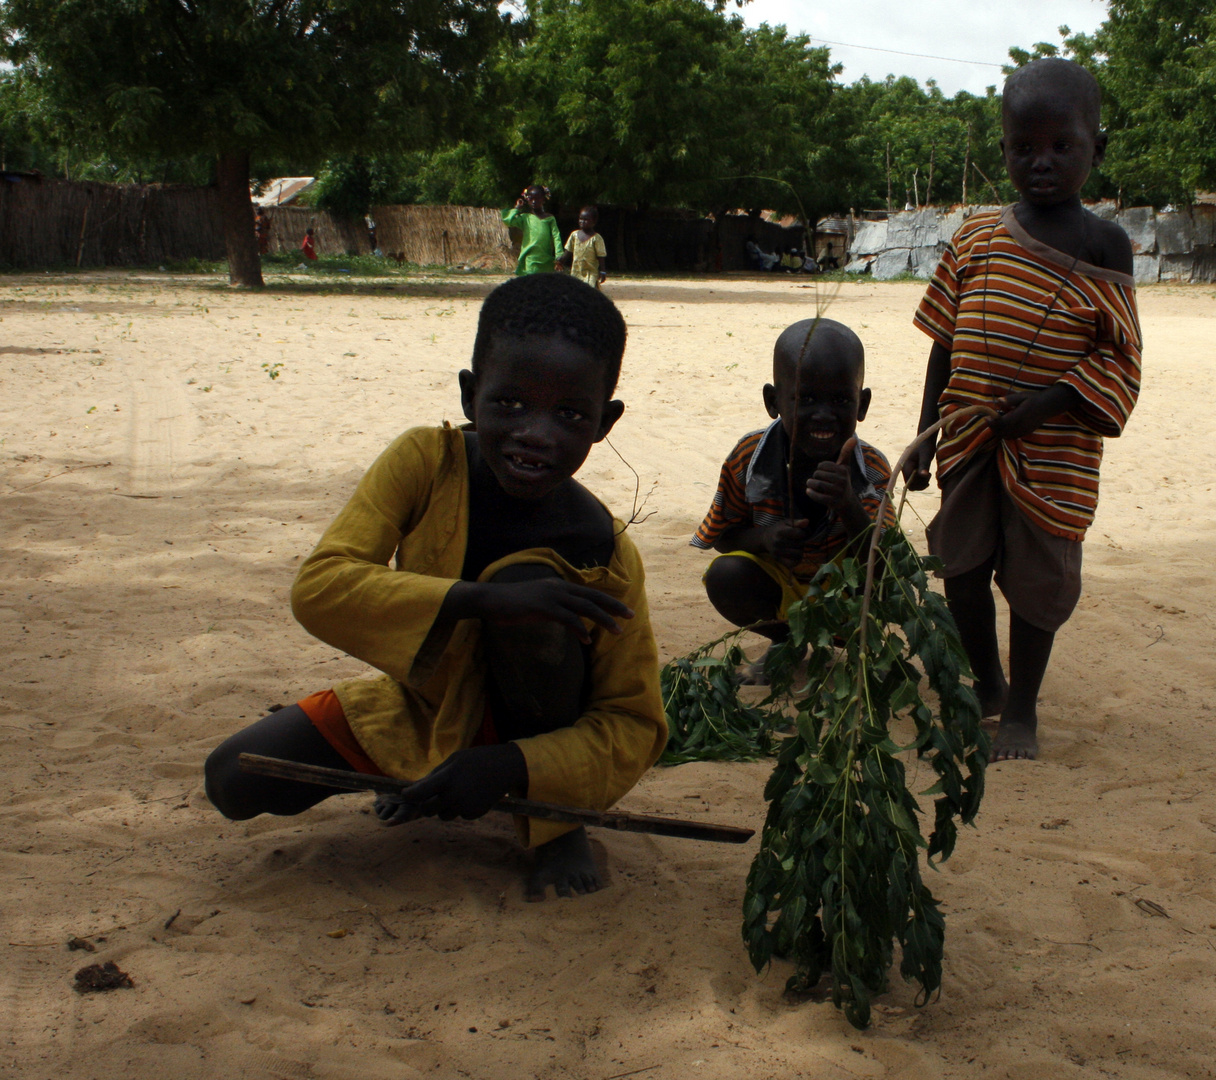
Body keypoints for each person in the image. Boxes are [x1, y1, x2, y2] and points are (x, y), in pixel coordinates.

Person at [203, 273, 665, 899]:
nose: (536, 433)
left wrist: (511, 765)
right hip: (422, 709)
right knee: (231, 779)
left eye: (569, 413)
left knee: (535, 591)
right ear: (472, 394)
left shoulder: (604, 553)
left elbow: (633, 724)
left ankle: (555, 826)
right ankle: (425, 775)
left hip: (531, 739)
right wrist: (476, 600)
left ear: (604, 421)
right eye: (510, 403)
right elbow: (321, 585)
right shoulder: (424, 463)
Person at [901, 57, 1141, 763]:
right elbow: (944, 340)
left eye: (1061, 145)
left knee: (1037, 584)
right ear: (1002, 149)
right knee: (962, 570)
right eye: (1022, 147)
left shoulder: (1105, 245)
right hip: (969, 441)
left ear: (1096, 149)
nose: (1041, 162)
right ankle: (990, 682)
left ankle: (1025, 711)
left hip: (1055, 450)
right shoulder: (975, 236)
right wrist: (925, 432)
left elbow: (1119, 356)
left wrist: (1045, 406)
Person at [692, 318, 892, 668]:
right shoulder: (748, 458)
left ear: (862, 405)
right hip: (780, 590)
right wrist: (765, 538)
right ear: (774, 401)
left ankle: (849, 643)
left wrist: (848, 504)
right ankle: (786, 641)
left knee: (888, 586)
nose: (823, 416)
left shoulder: (871, 468)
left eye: (841, 399)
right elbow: (721, 537)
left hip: (842, 599)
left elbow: (885, 560)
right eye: (806, 398)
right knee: (726, 575)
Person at [501, 185, 565, 276]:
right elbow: (508, 221)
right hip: (530, 259)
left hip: (546, 259)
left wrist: (559, 255)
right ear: (527, 200)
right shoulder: (525, 218)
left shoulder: (550, 218)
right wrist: (517, 207)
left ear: (543, 199)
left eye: (537, 198)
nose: (534, 201)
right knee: (531, 284)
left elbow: (556, 236)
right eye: (531, 199)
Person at [564, 205, 608, 288]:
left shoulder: (596, 238)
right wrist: (561, 260)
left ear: (594, 221)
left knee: (589, 293)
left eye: (586, 219)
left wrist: (603, 271)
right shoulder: (574, 235)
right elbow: (568, 251)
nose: (582, 221)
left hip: (590, 273)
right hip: (576, 272)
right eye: (581, 219)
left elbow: (601, 256)